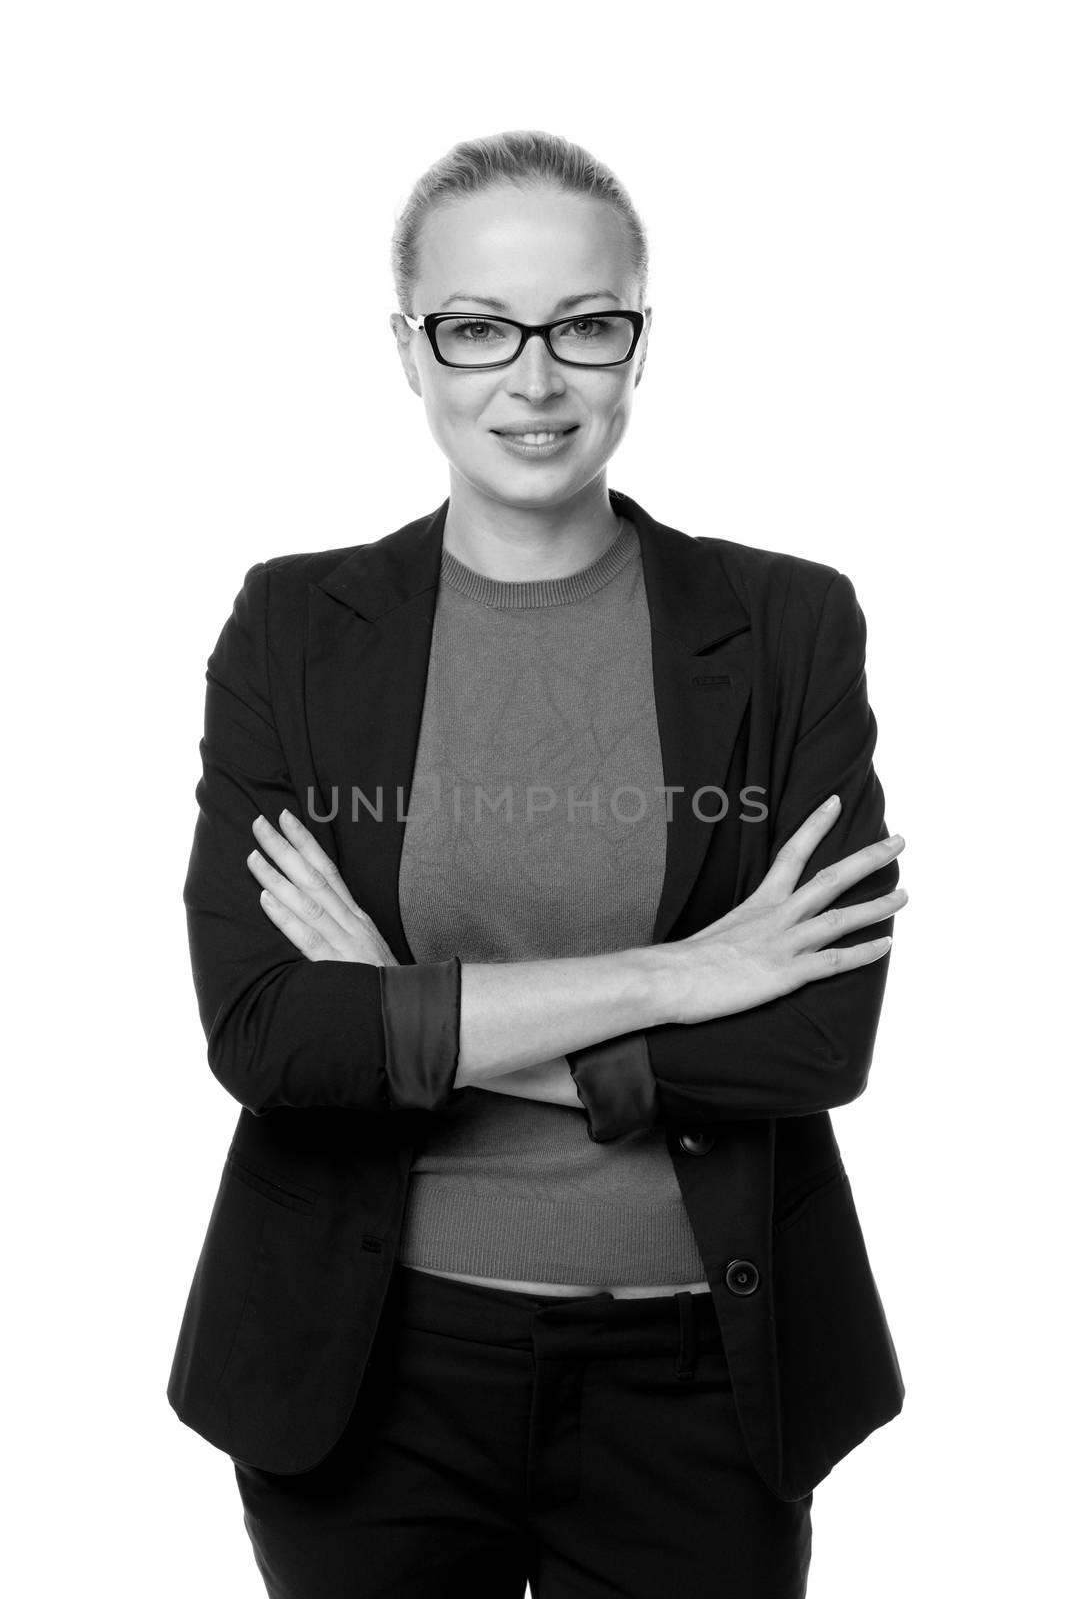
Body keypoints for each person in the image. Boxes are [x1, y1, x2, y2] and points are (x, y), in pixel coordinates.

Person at [168, 130, 908, 1599]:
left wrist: (409, 1015)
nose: (535, 376)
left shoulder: (785, 629)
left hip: (701, 1380)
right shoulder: (298, 629)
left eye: (585, 323)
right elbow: (267, 1033)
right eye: (477, 328)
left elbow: (815, 1036)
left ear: (639, 342)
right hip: (371, 1375)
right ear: (410, 348)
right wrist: (679, 978)